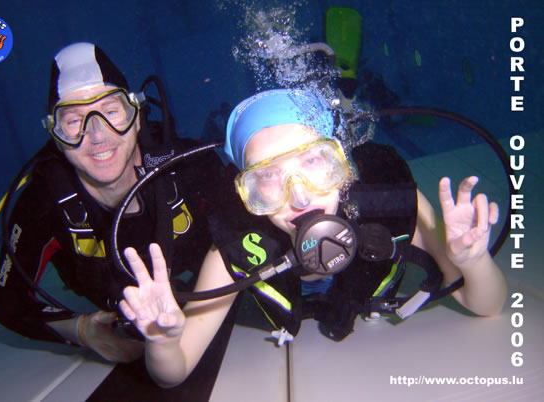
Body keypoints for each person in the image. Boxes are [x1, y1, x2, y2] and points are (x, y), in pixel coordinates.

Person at [120, 88, 507, 386]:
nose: (300, 196)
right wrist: (162, 341)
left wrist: (474, 261)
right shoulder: (235, 251)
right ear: (247, 194)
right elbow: (174, 372)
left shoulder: (391, 205)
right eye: (267, 176)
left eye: (313, 161)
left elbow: (486, 305)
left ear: (342, 163)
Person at [0, 42, 230, 364]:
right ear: (56, 135)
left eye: (112, 111)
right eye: (74, 121)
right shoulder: (44, 205)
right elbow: (6, 301)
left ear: (136, 117)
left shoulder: (191, 168)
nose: (98, 135)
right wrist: (81, 330)